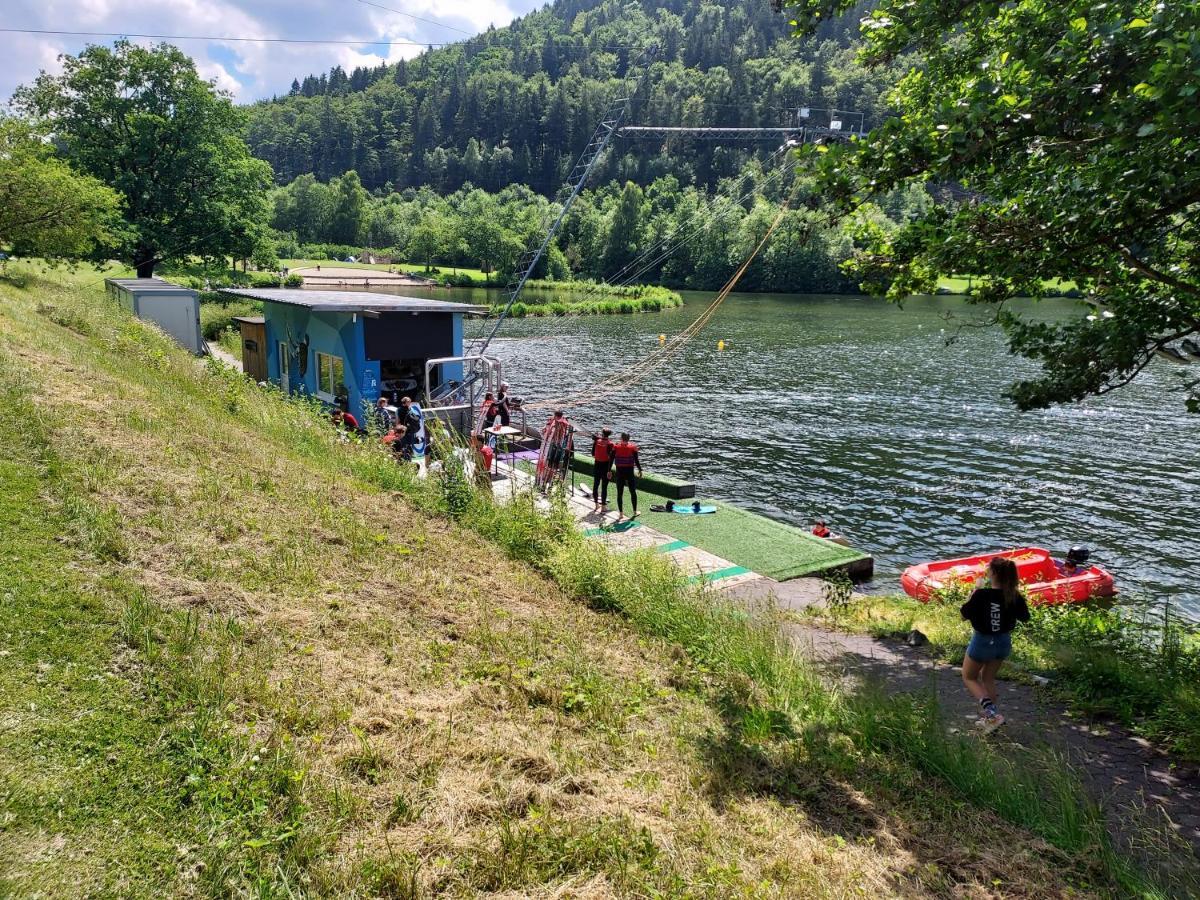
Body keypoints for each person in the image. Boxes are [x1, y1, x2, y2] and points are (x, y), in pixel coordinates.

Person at [960, 556, 1030, 730]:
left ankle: (992, 714)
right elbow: (1025, 617)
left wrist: (973, 594)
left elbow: (963, 615)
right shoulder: (1014, 595)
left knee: (969, 677)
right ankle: (990, 721)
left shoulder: (981, 594)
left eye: (988, 569)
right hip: (1003, 642)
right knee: (988, 679)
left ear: (993, 573)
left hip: (982, 641)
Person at [612, 432, 643, 520]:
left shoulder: (616, 447)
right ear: (629, 439)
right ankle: (634, 511)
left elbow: (611, 459)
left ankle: (621, 514)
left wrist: (608, 470)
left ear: (621, 438)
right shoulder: (633, 448)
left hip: (619, 473)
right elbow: (636, 461)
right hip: (629, 473)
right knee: (633, 492)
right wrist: (640, 470)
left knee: (619, 493)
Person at [590, 428, 615, 510]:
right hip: (606, 466)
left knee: (595, 485)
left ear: (602, 433)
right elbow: (611, 459)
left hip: (597, 465)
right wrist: (609, 470)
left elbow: (593, 453)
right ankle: (603, 506)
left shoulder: (597, 441)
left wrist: (597, 440)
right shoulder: (610, 444)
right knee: (604, 487)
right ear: (609, 435)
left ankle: (596, 504)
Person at [398, 396, 422, 461]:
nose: (410, 403)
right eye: (409, 402)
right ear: (406, 402)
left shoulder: (399, 409)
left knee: (405, 443)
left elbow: (398, 420)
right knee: (408, 443)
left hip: (402, 429)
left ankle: (406, 455)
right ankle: (408, 456)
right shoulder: (408, 409)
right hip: (408, 429)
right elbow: (416, 418)